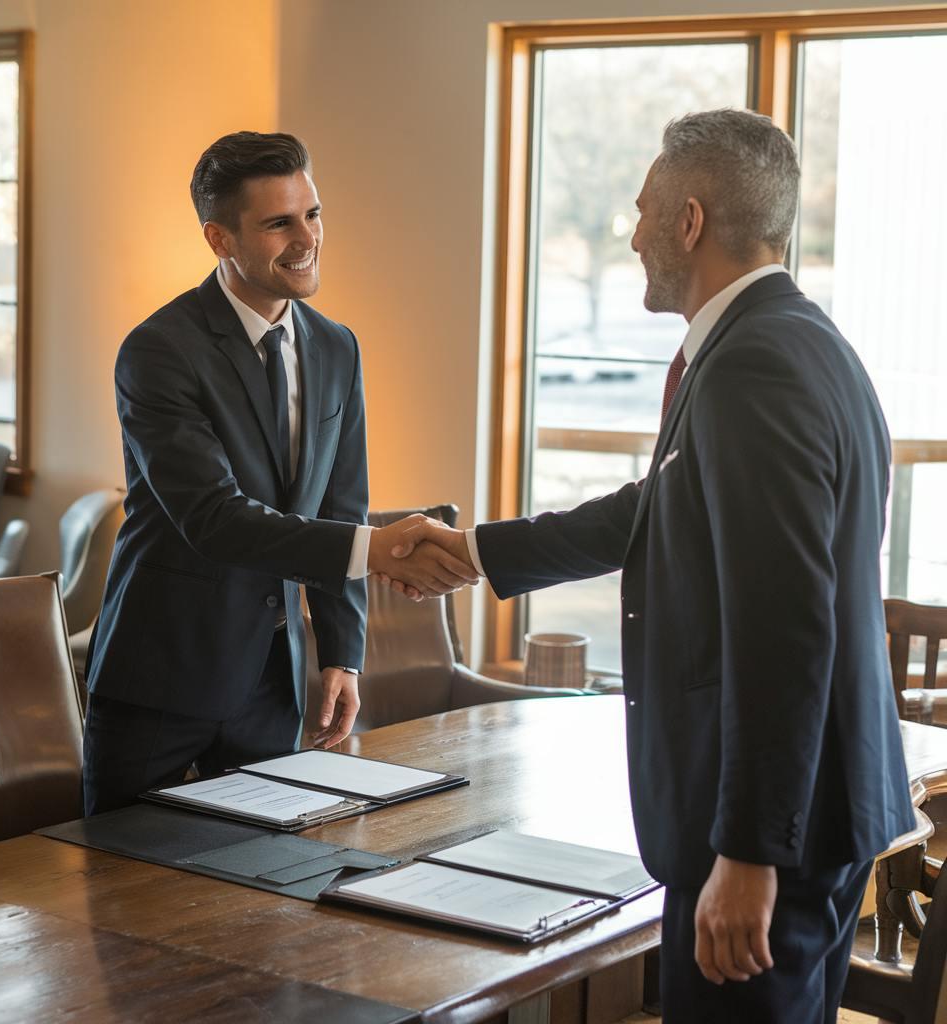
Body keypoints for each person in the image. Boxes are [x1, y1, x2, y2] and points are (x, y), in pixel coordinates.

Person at [387, 110, 913, 1023]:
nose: (629, 235)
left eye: (641, 211)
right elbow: (655, 508)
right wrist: (474, 552)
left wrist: (747, 855)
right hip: (810, 819)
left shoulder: (756, 366)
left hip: (766, 843)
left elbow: (783, 628)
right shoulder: (795, 342)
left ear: (690, 221)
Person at [83, 131, 474, 815]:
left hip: (274, 682)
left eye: (313, 214)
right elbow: (214, 518)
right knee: (116, 892)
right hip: (159, 679)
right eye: (279, 223)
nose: (307, 238)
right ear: (220, 238)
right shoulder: (158, 351)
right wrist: (378, 550)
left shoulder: (336, 346)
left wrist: (342, 653)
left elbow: (341, 504)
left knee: (264, 898)